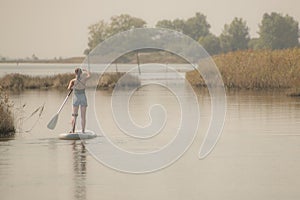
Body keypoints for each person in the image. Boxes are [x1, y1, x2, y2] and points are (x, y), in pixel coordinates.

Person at [68, 68, 90, 133]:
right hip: (83, 97)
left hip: (76, 98)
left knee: (74, 115)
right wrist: (86, 70)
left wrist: (72, 87)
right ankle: (83, 131)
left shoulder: (72, 81)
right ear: (81, 73)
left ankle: (73, 130)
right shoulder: (84, 79)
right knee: (83, 116)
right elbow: (89, 75)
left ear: (75, 73)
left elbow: (69, 88)